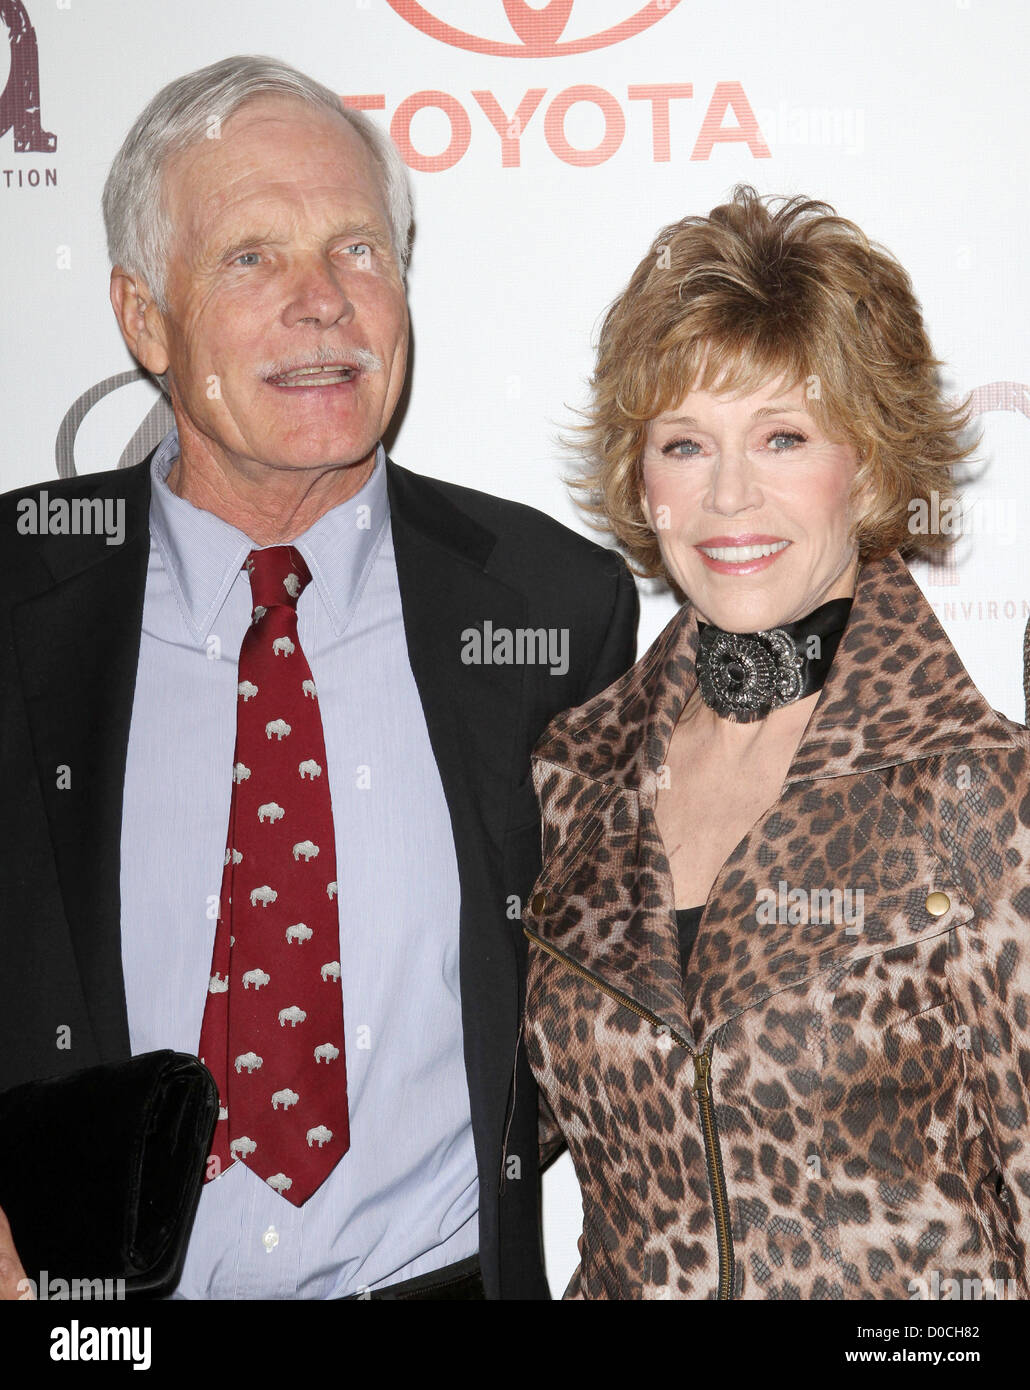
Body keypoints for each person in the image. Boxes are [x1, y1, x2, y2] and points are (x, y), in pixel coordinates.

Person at [0, 54, 637, 1300]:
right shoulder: (18, 593)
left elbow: (606, 1020)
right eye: (252, 258)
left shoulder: (556, 608)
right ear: (143, 318)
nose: (323, 304)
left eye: (358, 249)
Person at [519, 185, 1030, 1300]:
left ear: (872, 464)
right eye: (686, 444)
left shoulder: (984, 794)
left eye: (782, 437)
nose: (729, 496)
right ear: (640, 480)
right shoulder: (573, 773)